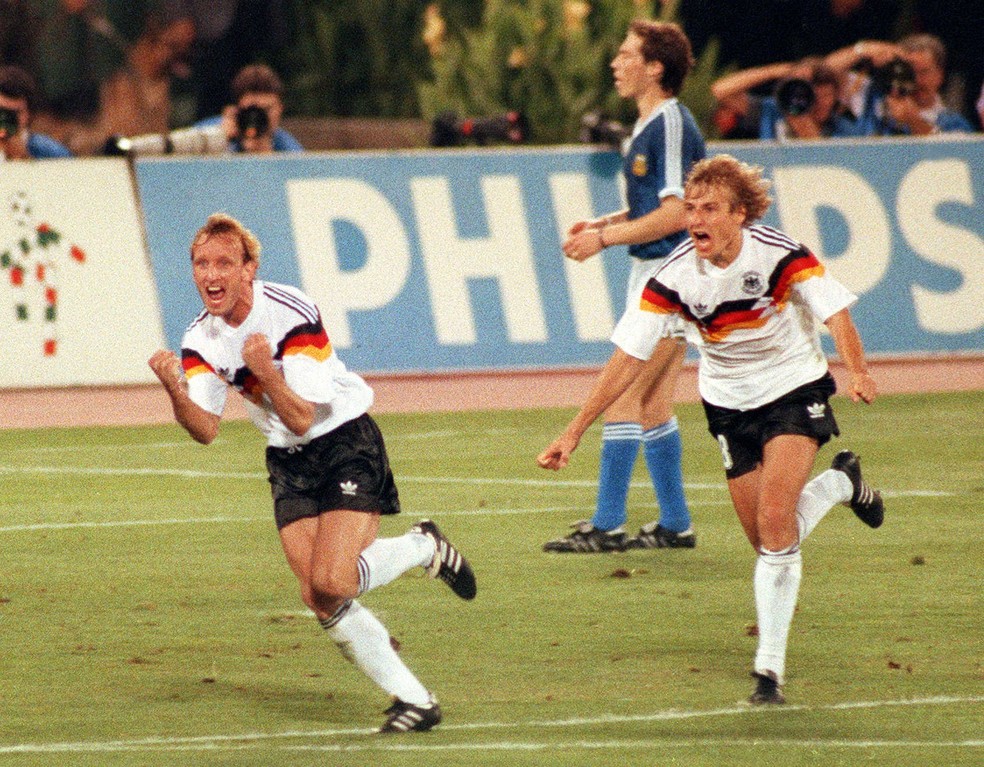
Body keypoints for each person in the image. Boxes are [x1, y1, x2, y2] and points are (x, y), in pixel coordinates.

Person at [538, 154, 886, 705]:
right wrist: (575, 429)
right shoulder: (673, 275)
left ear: (740, 215)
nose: (695, 218)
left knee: (776, 522)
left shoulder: (780, 255)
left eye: (709, 209)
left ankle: (768, 671)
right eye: (691, 208)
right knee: (769, 540)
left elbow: (835, 313)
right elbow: (629, 356)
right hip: (727, 405)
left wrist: (858, 370)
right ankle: (843, 484)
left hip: (794, 388)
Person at [148, 213, 476, 733]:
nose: (212, 274)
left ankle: (421, 547)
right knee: (319, 594)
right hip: (287, 458)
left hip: (344, 442)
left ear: (249, 269)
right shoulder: (200, 338)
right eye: (201, 263)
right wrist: (172, 387)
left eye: (225, 263)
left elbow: (303, 414)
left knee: (334, 577)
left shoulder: (290, 312)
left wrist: (265, 371)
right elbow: (206, 430)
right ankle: (415, 700)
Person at [542, 20, 705, 554]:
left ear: (655, 67)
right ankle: (675, 525)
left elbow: (680, 213)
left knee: (625, 393)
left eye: (626, 53)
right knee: (653, 401)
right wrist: (602, 223)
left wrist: (606, 239)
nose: (615, 63)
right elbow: (653, 206)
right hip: (657, 273)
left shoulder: (672, 124)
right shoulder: (648, 125)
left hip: (673, 275)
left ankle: (608, 524)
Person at [825, 34, 974, 135]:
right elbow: (824, 73)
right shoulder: (871, 96)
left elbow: (953, 157)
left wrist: (914, 122)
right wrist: (864, 49)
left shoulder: (955, 123)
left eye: (924, 72)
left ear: (940, 75)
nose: (917, 81)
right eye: (910, 73)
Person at [711, 58, 860, 140]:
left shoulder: (844, 128)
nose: (822, 103)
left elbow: (829, 160)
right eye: (815, 96)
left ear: (835, 96)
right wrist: (776, 72)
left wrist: (804, 125)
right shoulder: (773, 111)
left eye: (827, 96)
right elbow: (720, 91)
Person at [193, 63, 302, 153]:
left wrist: (265, 154)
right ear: (237, 110)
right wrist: (219, 141)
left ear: (280, 109)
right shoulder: (209, 130)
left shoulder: (286, 147)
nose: (258, 117)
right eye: (252, 110)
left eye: (267, 109)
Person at [0, 65, 72, 160]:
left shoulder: (50, 152)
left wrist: (26, 158)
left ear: (28, 114)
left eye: (15, 113)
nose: (6, 118)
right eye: (2, 111)